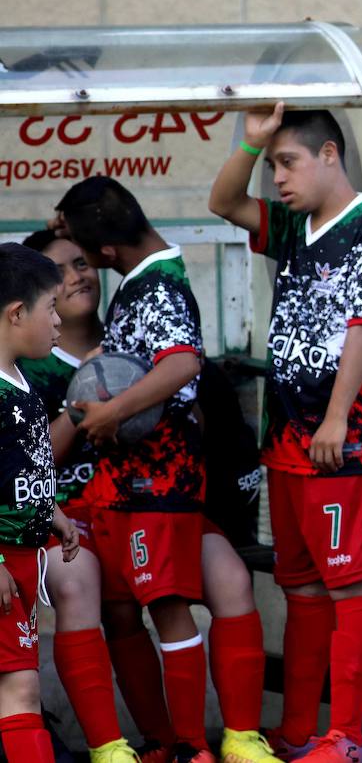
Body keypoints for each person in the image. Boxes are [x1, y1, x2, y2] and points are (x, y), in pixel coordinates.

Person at [55, 177, 278, 763]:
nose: (78, 272)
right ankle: (159, 742)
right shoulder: (141, 281)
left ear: (104, 254)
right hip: (120, 496)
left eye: (82, 256)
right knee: (141, 606)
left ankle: (194, 746)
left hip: (157, 486)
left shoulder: (157, 285)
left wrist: (109, 413)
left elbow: (181, 363)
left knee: (169, 606)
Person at [210, 106, 362, 761]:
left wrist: (336, 416)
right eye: (272, 166)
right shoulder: (293, 224)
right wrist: (253, 141)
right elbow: (223, 201)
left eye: (287, 163)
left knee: (348, 582)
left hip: (338, 439)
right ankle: (299, 731)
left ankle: (346, 738)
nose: (278, 178)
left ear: (329, 154)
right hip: (284, 439)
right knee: (301, 588)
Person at [16, 231, 139, 763]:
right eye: (60, 273)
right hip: (37, 535)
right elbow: (32, 460)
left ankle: (161, 742)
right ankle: (106, 746)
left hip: (115, 512)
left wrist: (52, 513)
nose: (79, 276)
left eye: (83, 262)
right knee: (73, 582)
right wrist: (84, 398)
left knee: (21, 691)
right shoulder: (26, 370)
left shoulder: (126, 340)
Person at [0, 243, 81, 763]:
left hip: (23, 563)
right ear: (14, 313)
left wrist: (52, 512)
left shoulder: (22, 382)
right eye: (51, 307)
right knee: (21, 693)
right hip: (3, 563)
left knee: (17, 690)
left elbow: (19, 468)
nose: (59, 320)